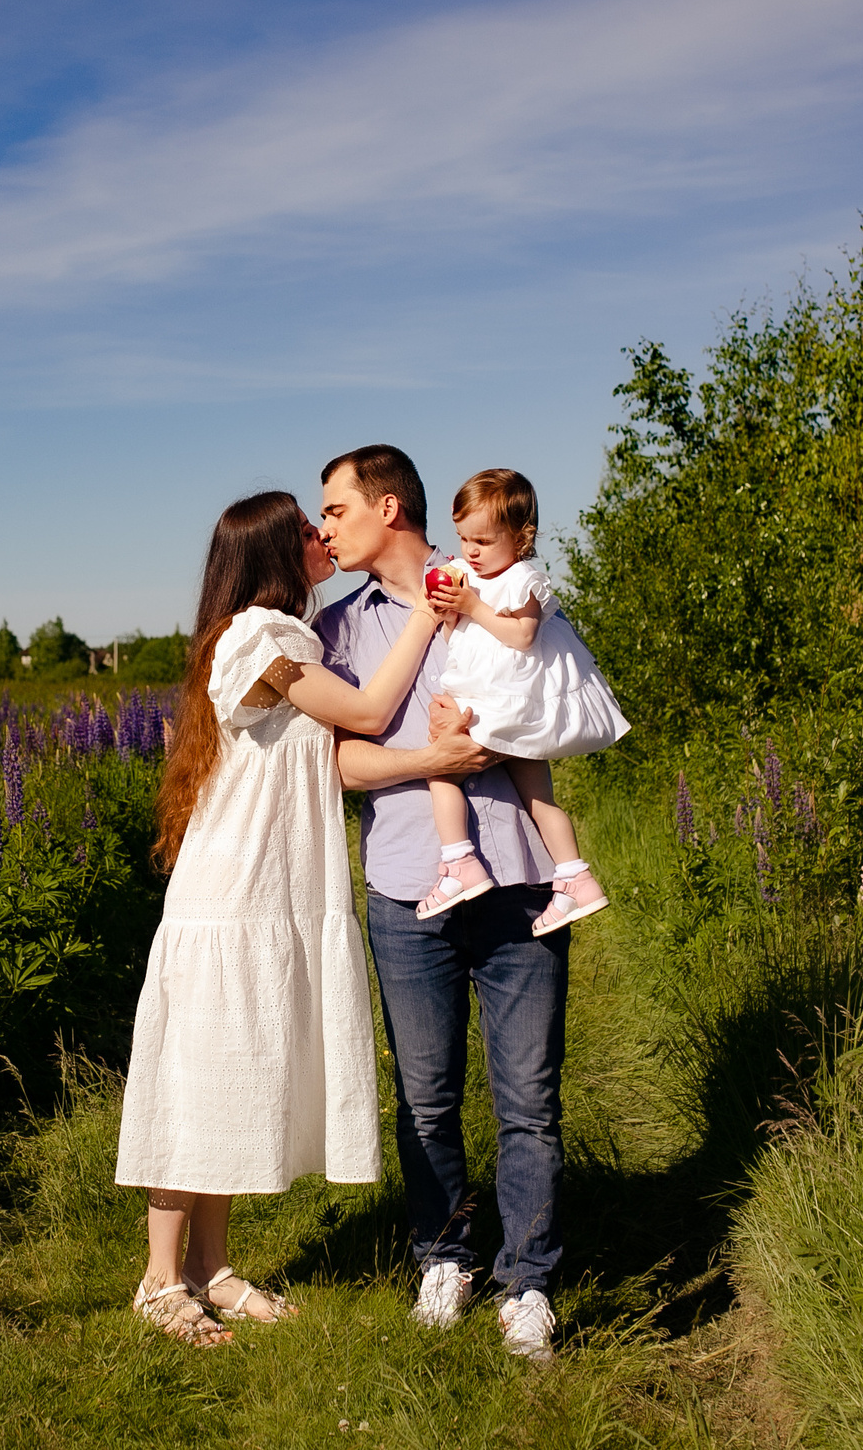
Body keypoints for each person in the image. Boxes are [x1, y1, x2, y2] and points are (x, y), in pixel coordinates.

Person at [114, 488, 440, 1347]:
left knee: (232, 1079)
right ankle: (158, 1279)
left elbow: (331, 762)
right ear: (271, 552)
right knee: (197, 1081)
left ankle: (212, 1269)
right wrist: (430, 616)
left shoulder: (289, 636)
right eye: (305, 527)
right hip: (231, 897)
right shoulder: (257, 639)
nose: (321, 533)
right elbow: (366, 715)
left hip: (270, 893)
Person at [314, 444, 571, 1363]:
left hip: (518, 875)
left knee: (528, 1100)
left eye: (335, 509)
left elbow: (555, 699)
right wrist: (434, 762)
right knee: (426, 1099)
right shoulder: (339, 628)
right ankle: (446, 1256)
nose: (324, 527)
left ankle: (529, 1280)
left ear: (388, 506)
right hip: (404, 884)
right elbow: (341, 762)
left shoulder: (496, 580)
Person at [417, 467, 630, 934]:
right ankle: (576, 877)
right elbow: (464, 640)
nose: (471, 551)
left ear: (521, 537)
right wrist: (452, 614)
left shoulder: (522, 578)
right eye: (463, 538)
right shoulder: (472, 576)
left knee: (439, 767)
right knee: (538, 796)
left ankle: (459, 864)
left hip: (504, 700)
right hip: (498, 697)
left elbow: (522, 636)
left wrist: (473, 606)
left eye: (484, 541)